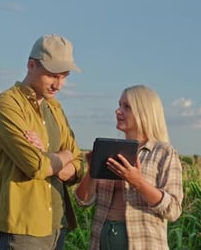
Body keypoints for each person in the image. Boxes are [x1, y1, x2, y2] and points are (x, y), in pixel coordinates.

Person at [0, 34, 85, 250]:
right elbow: (35, 165)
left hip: (58, 225)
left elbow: (79, 166)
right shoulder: (7, 105)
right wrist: (64, 156)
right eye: (52, 75)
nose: (59, 85)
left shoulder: (55, 108)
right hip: (24, 229)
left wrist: (54, 157)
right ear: (31, 65)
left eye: (64, 76)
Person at [75, 85, 183, 250]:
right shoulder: (110, 151)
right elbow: (82, 201)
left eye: (126, 107)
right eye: (119, 105)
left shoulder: (163, 153)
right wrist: (92, 170)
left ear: (143, 112)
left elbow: (173, 210)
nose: (118, 111)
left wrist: (138, 182)